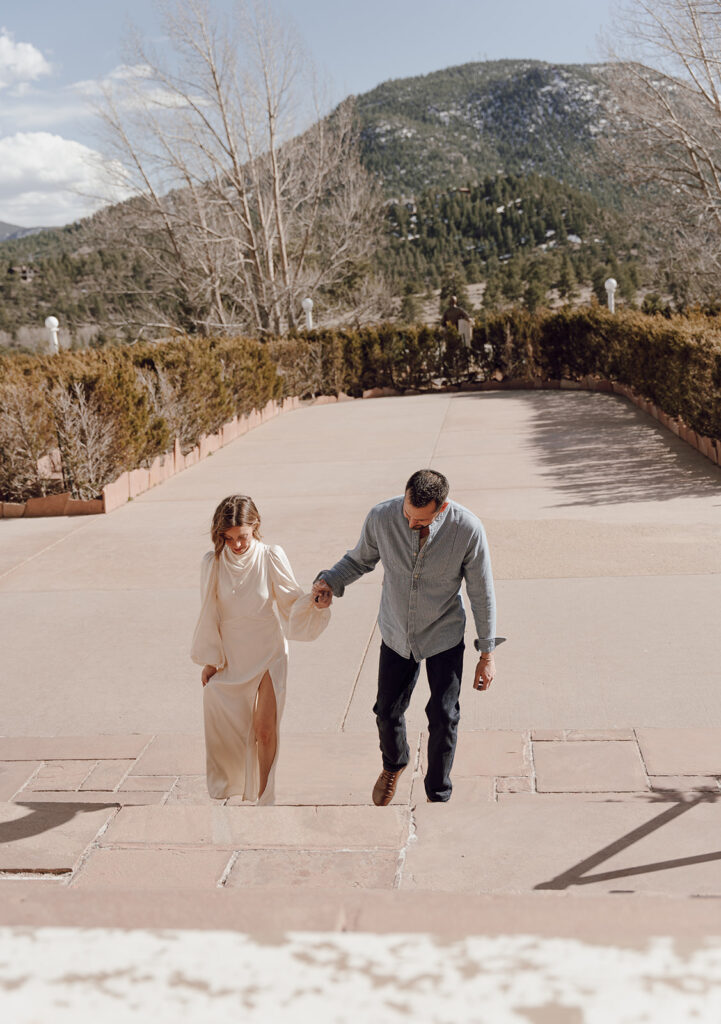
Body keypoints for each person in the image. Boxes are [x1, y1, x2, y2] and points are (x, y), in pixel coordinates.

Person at [312, 469, 502, 805]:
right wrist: (329, 581)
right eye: (408, 515)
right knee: (386, 712)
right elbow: (359, 560)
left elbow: (481, 593)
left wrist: (486, 655)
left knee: (444, 717)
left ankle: (437, 793)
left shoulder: (467, 529)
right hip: (397, 631)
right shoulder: (383, 517)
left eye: (421, 520)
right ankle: (395, 763)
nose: (411, 524)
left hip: (443, 632)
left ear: (441, 509)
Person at [191, 494, 329, 804]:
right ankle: (237, 787)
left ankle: (266, 798)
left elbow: (292, 602)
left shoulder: (270, 556)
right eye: (228, 538)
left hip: (269, 652)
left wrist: (316, 602)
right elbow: (209, 613)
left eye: (242, 536)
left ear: (256, 527)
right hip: (233, 656)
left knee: (264, 729)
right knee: (231, 727)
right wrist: (212, 662)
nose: (236, 544)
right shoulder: (211, 563)